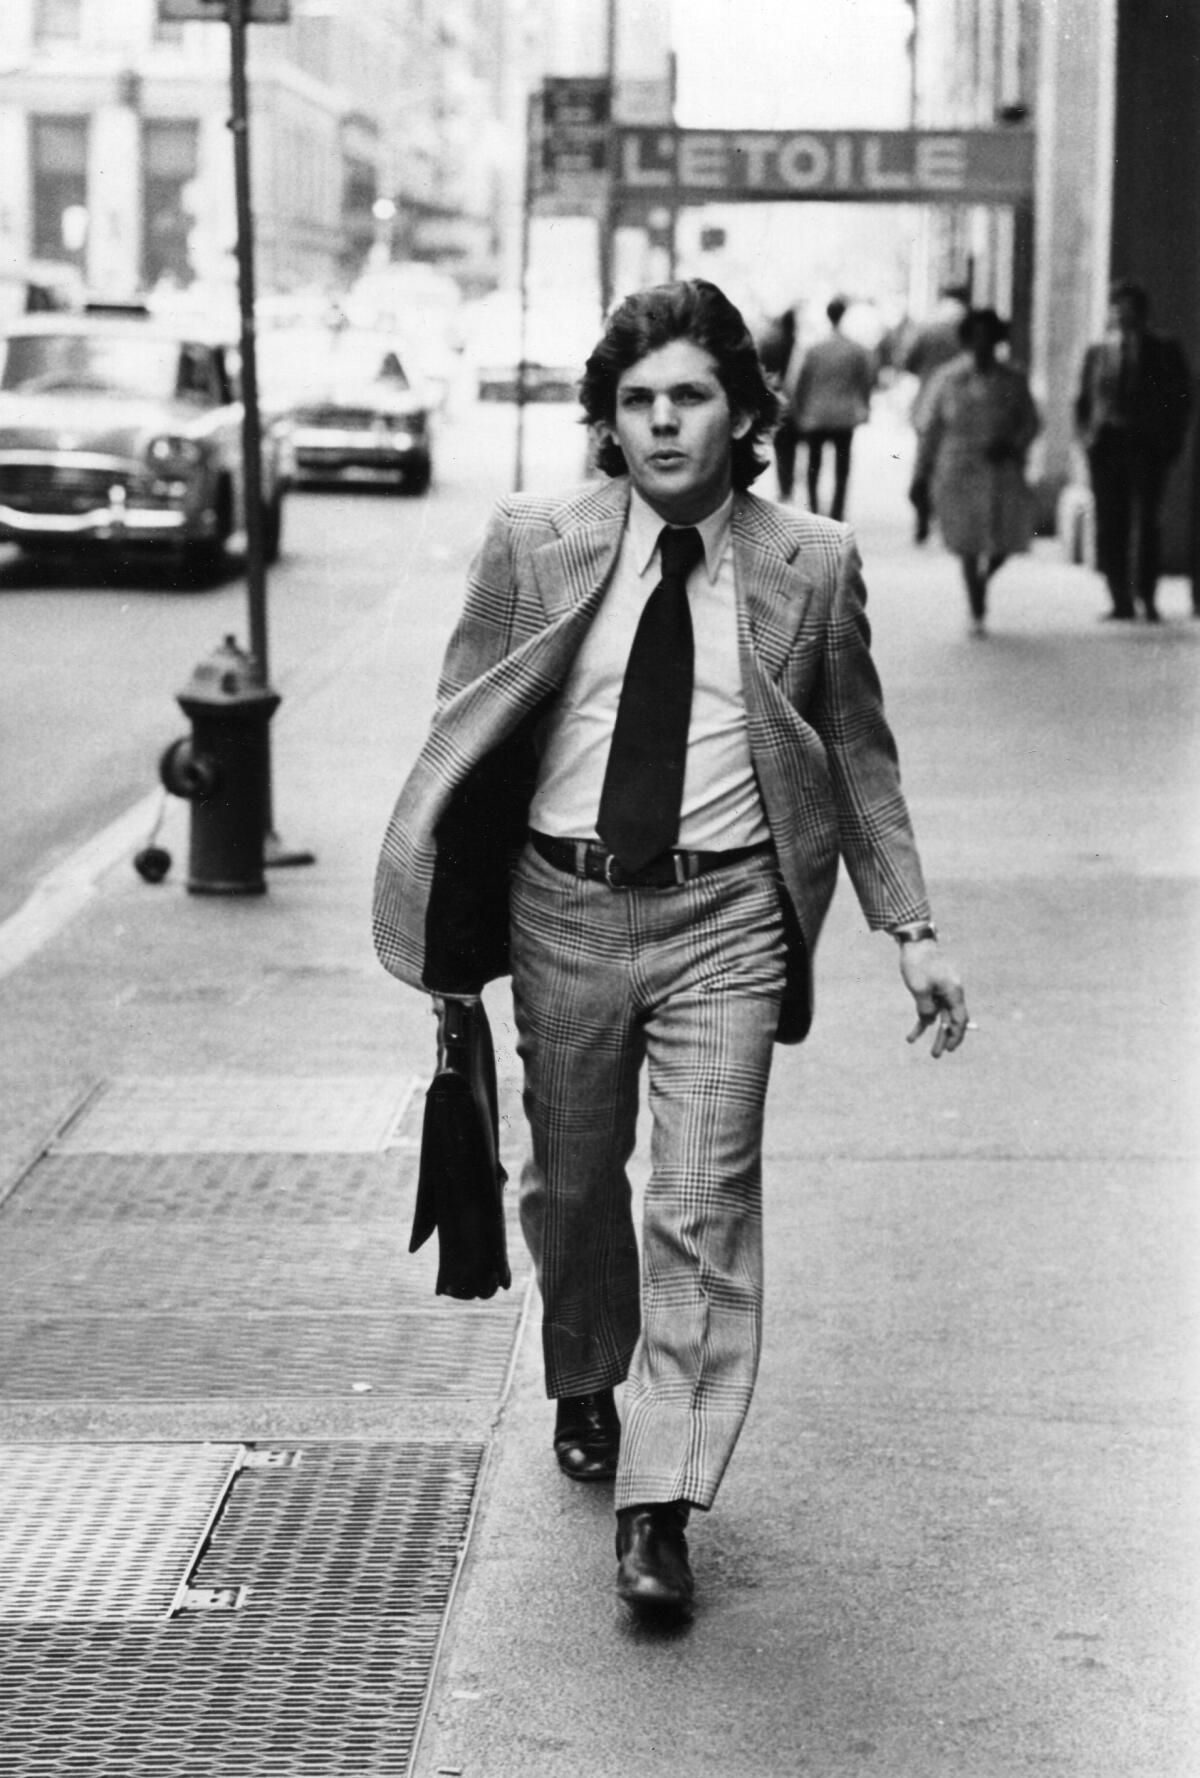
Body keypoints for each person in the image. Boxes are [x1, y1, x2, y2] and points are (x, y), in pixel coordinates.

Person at [373, 279, 969, 1620]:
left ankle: (661, 1499)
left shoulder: (811, 563)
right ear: (607, 419)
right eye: (636, 401)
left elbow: (857, 757)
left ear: (745, 412)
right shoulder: (531, 542)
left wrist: (911, 928)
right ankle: (584, 1362)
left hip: (730, 919)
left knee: (703, 1207)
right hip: (560, 905)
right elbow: (463, 735)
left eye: (689, 396)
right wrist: (445, 925)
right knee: (576, 1182)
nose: (661, 424)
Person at [911, 308, 1039, 634]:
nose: (982, 343)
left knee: (1007, 537)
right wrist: (920, 472)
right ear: (967, 339)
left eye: (989, 336)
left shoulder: (1013, 378)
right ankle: (976, 605)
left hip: (1002, 466)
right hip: (957, 466)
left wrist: (1013, 443)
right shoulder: (947, 378)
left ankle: (984, 578)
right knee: (966, 540)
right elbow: (929, 427)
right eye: (976, 336)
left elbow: (1031, 422)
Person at [1074, 279, 1192, 621]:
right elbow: (1084, 400)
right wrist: (1086, 438)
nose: (1122, 315)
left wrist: (1172, 442)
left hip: (1145, 446)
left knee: (1146, 522)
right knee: (1111, 522)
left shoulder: (1164, 349)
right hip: (1107, 444)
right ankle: (1119, 599)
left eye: (1129, 309)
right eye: (1117, 309)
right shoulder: (1098, 352)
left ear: (1142, 313)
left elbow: (1181, 398)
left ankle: (1147, 596)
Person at [790, 295, 875, 520]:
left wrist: (798, 410)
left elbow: (797, 382)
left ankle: (814, 508)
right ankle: (837, 512)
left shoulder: (813, 348)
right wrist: (865, 408)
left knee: (813, 466)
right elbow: (865, 382)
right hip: (844, 416)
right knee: (841, 468)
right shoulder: (855, 349)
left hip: (815, 415)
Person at [902, 282, 971, 540]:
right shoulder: (968, 326)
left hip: (928, 402)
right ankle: (949, 519)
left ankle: (922, 516)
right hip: (962, 405)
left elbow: (907, 361)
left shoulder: (927, 325)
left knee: (925, 462)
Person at [756, 304, 801, 501]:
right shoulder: (798, 345)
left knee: (781, 447)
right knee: (792, 448)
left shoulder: (769, 344)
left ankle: (784, 487)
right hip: (796, 403)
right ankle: (789, 486)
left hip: (777, 400)